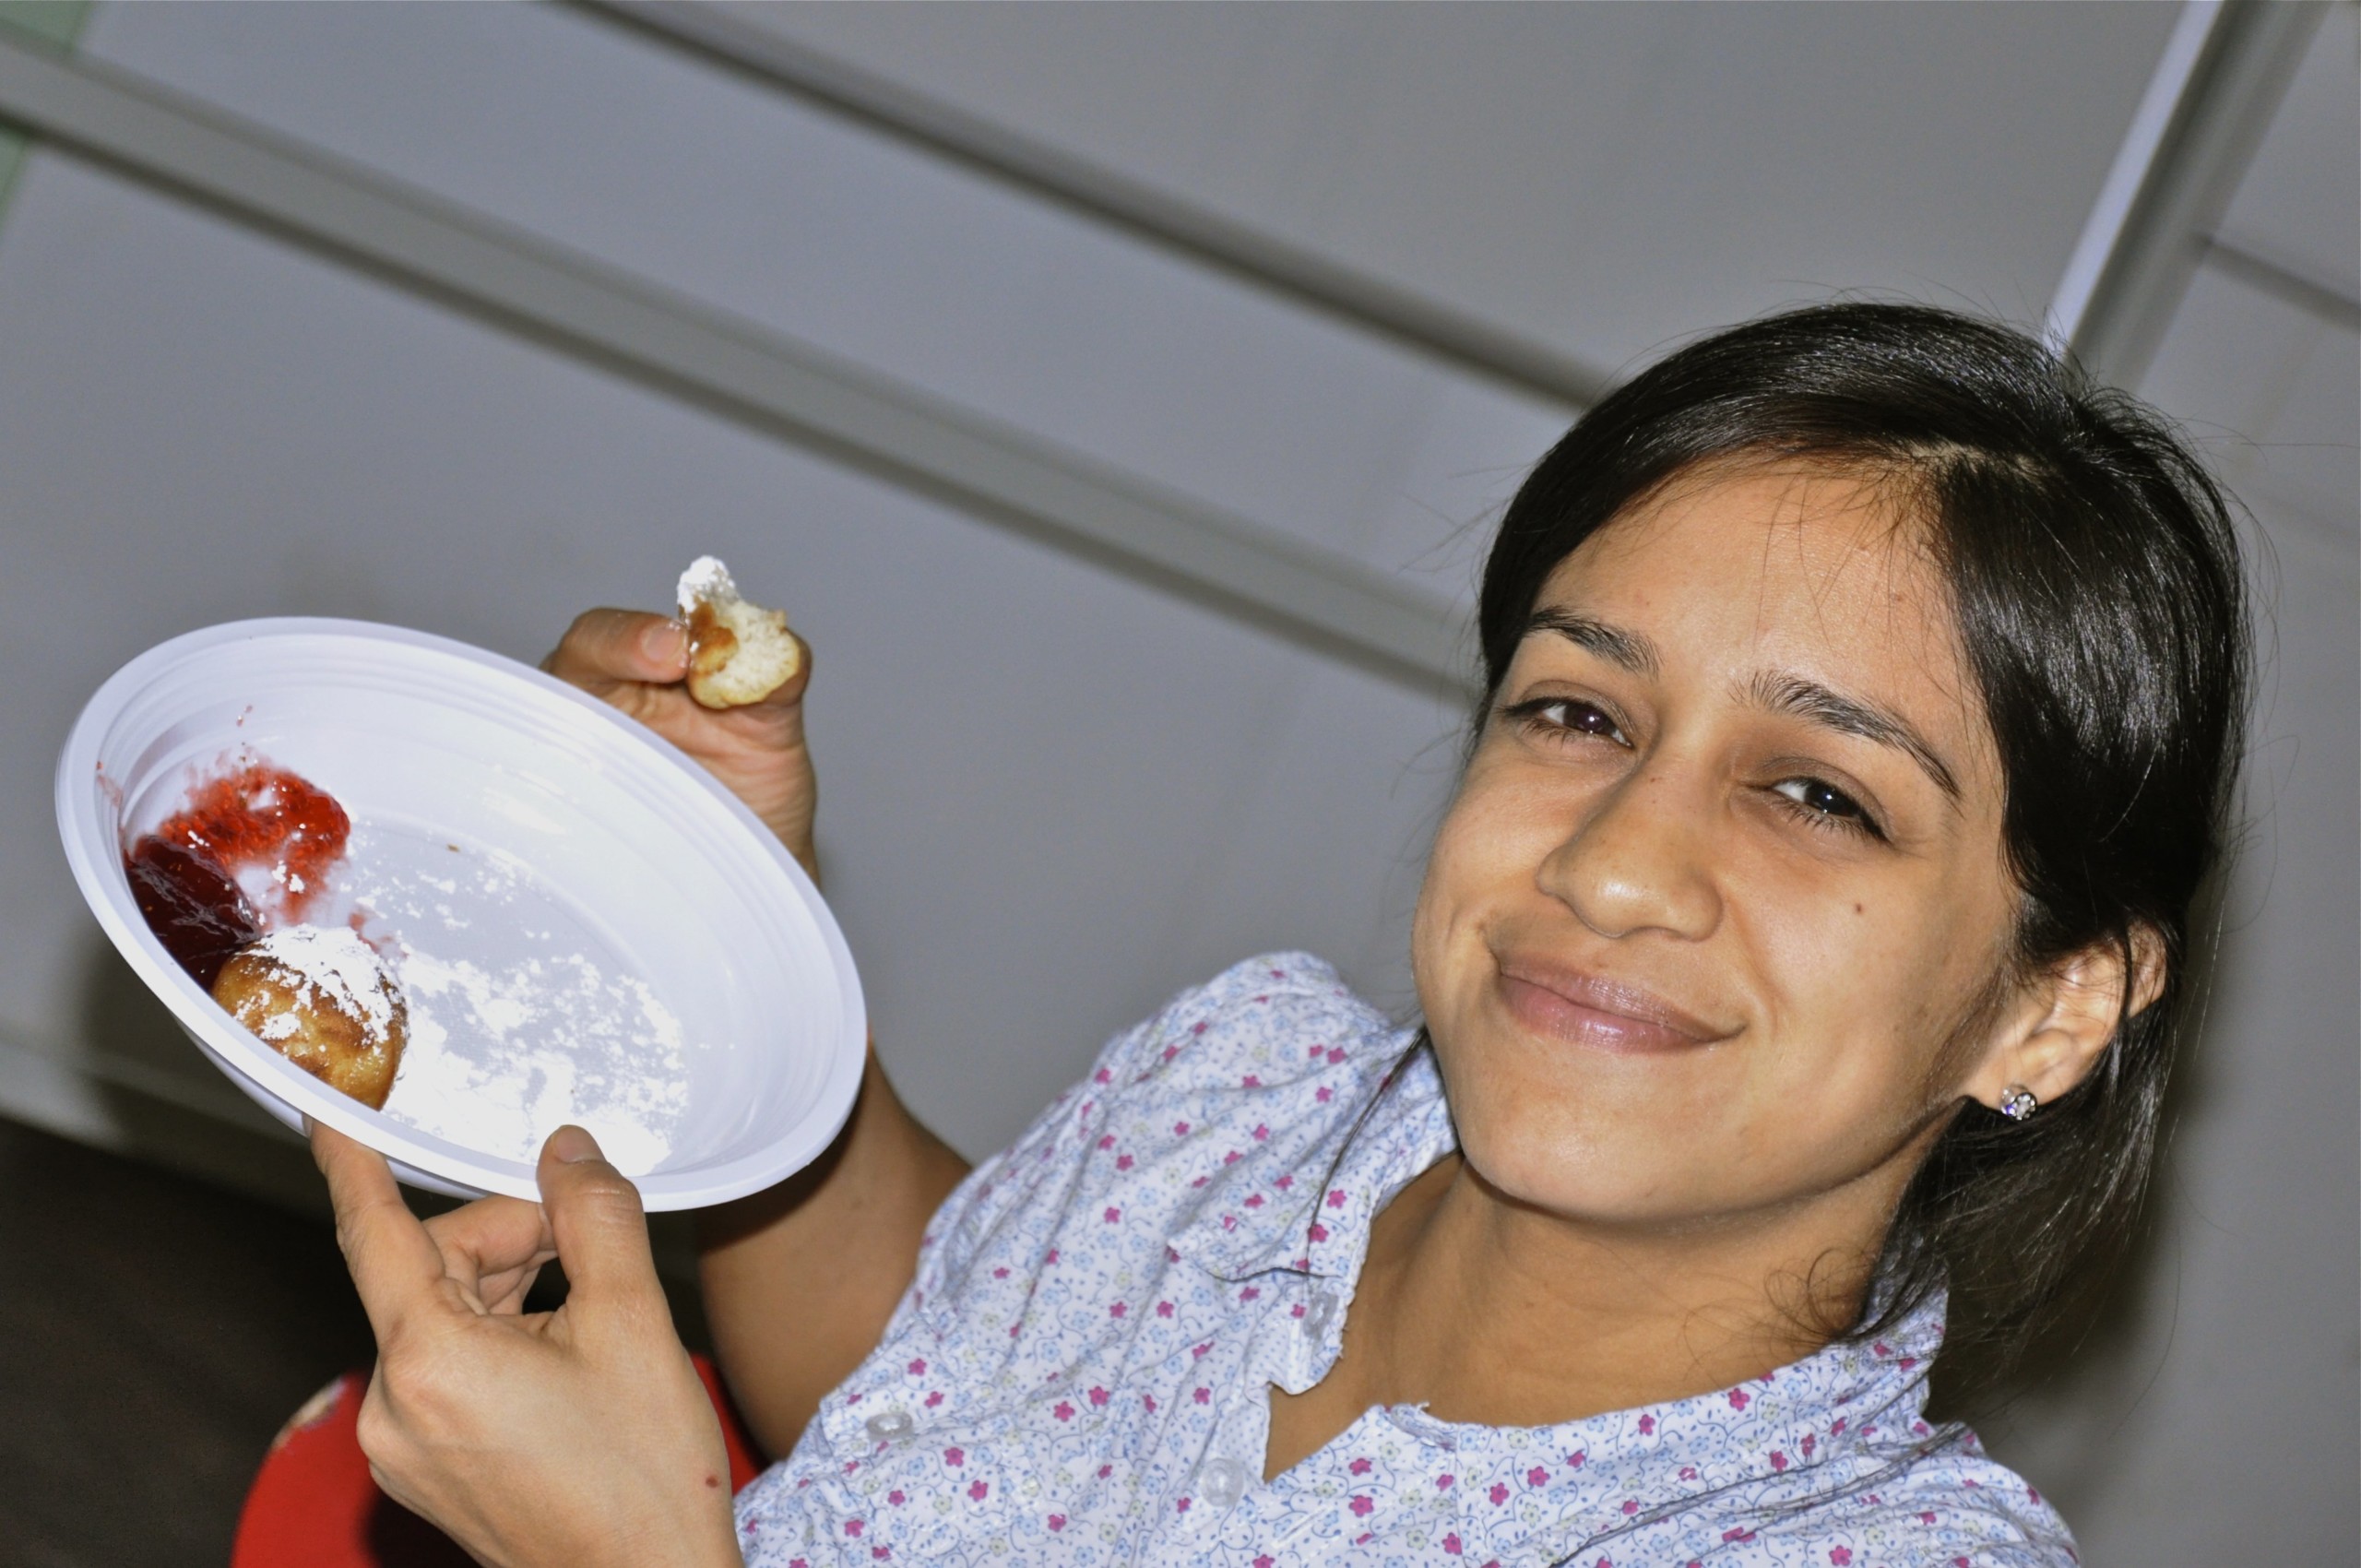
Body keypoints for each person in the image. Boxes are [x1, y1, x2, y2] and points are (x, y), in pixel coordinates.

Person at [307, 303, 2249, 1567]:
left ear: (2055, 1000)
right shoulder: (1252, 1084)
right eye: (1576, 710)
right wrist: (722, 930)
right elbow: (927, 1378)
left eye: (1817, 793)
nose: (1614, 862)